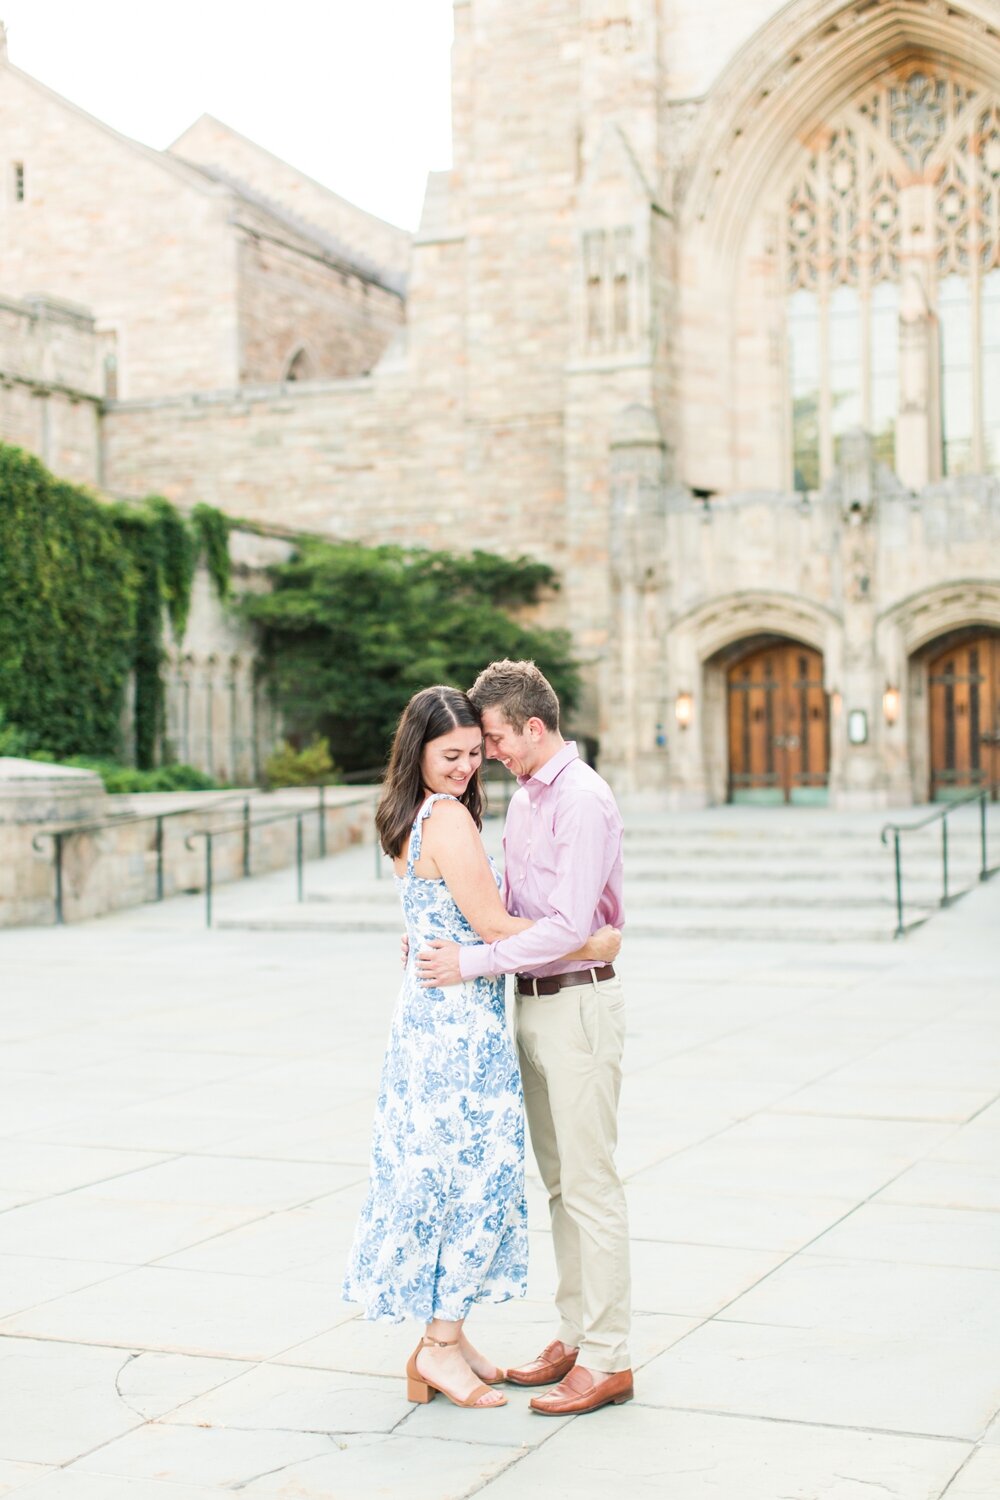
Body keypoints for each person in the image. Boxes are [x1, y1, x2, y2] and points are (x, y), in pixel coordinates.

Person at [342, 685, 620, 1411]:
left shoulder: (412, 812)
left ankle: (452, 1339)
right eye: (454, 754)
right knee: (466, 1177)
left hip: (438, 1014)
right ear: (418, 751)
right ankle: (438, 1345)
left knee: (449, 1169)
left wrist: (449, 943)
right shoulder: (451, 822)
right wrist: (590, 939)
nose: (471, 764)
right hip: (459, 1026)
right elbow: (495, 926)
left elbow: (444, 914)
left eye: (477, 752)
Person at [417, 660, 633, 1416]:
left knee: (592, 1185)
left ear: (533, 727)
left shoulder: (580, 799)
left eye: (499, 739)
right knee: (560, 1185)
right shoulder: (530, 799)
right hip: (530, 1004)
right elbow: (514, 906)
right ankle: (574, 1336)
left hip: (577, 1008)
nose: (491, 754)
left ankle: (609, 1357)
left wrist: (471, 962)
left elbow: (572, 928)